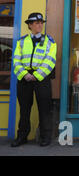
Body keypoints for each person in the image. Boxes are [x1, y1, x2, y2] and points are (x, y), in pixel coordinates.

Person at [11, 12, 57, 147]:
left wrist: (36, 75)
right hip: (24, 78)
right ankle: (22, 137)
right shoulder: (21, 41)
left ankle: (45, 137)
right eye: (37, 23)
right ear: (30, 25)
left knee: (44, 109)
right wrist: (25, 74)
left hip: (41, 78)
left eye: (41, 23)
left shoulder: (50, 41)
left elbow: (50, 61)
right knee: (24, 109)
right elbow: (16, 60)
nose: (40, 25)